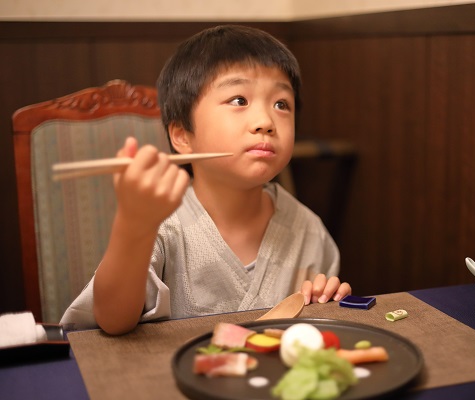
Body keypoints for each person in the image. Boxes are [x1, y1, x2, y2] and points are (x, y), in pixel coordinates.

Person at [60, 25, 351, 335]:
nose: (266, 122)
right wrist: (133, 225)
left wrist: (323, 303)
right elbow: (113, 320)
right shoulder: (162, 224)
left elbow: (310, 333)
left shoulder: (309, 230)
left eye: (281, 104)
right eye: (239, 100)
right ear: (183, 137)